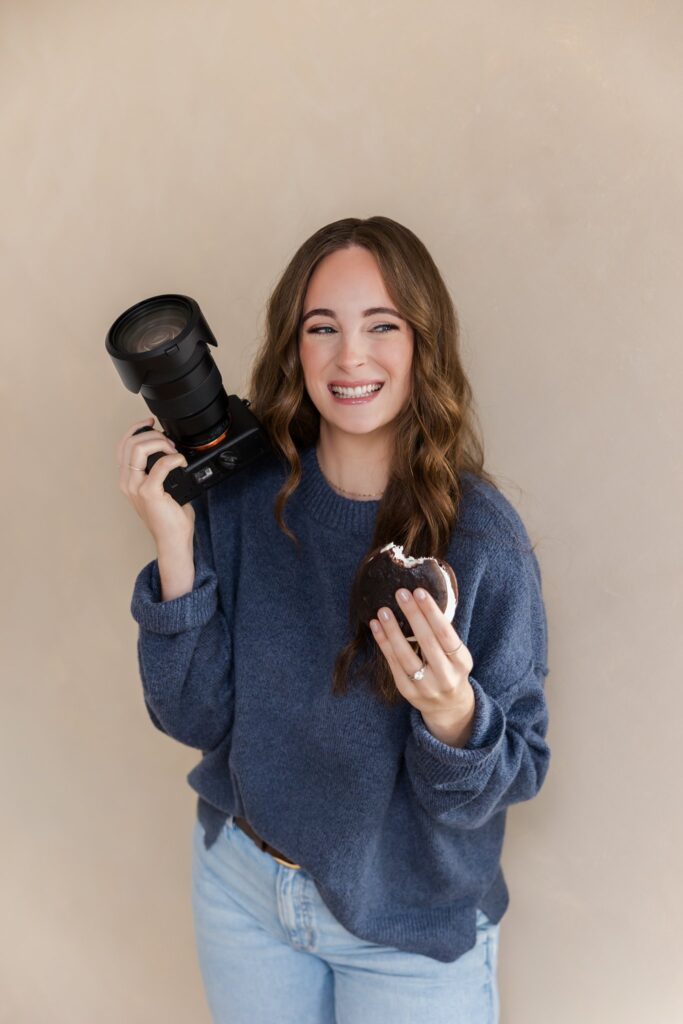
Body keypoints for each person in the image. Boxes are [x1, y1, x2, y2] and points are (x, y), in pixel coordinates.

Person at [117, 216, 551, 1024]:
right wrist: (176, 547)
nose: (351, 356)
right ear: (295, 350)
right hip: (242, 892)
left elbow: (513, 775)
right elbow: (194, 718)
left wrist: (452, 716)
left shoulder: (484, 544)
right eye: (324, 328)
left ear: (424, 344)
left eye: (381, 326)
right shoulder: (244, 496)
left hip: (407, 930)